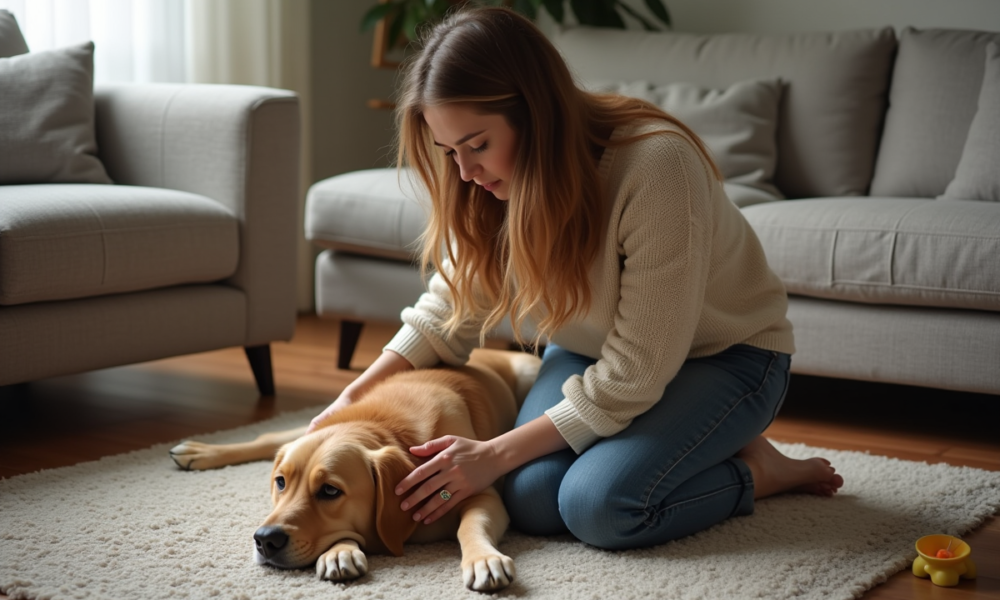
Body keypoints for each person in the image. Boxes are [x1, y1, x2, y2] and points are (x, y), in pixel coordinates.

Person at [308, 6, 843, 550]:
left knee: (600, 507)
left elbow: (637, 371)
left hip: (727, 358)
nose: (465, 173)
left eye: (477, 145)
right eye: (449, 152)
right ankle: (692, 450)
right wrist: (347, 401)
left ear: (536, 114)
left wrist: (493, 453)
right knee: (530, 500)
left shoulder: (656, 166)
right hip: (589, 354)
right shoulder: (486, 185)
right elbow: (450, 309)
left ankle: (758, 473)